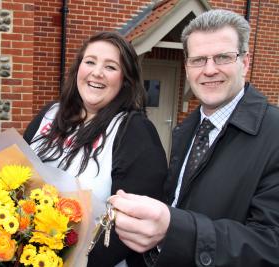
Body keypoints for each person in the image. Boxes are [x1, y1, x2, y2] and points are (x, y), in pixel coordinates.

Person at [109, 9, 279, 267]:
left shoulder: (274, 134)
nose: (209, 70)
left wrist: (172, 228)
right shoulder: (187, 129)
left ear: (244, 62)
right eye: (198, 60)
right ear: (187, 68)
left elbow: (271, 244)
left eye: (222, 57)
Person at [24, 31, 168, 266]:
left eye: (110, 67)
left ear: (125, 79)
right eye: (90, 62)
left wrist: (67, 262)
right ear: (78, 68)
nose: (97, 72)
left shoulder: (134, 131)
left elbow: (131, 227)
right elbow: (18, 178)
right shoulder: (49, 114)